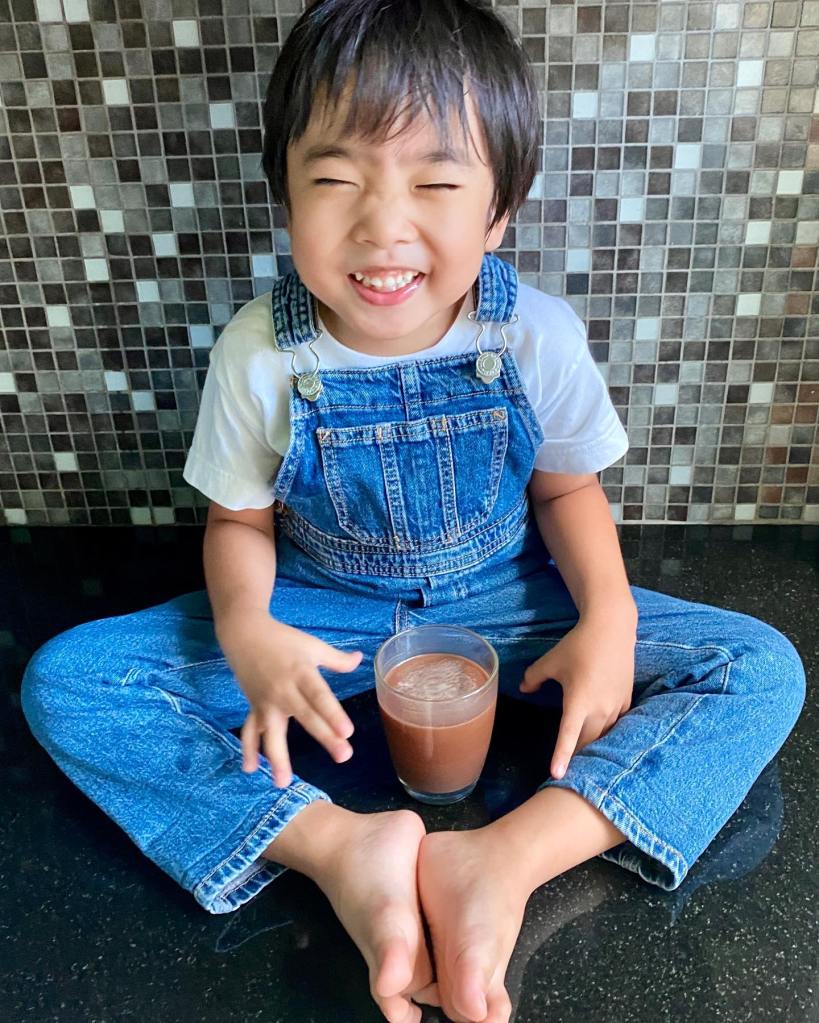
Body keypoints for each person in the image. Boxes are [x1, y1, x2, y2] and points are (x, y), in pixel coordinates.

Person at [21, 2, 806, 1022]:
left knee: (760, 668)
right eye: (337, 179)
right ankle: (342, 845)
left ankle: (511, 857)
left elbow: (570, 492)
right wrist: (248, 629)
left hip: (509, 603)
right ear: (286, 194)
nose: (382, 224)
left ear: (498, 210)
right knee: (70, 683)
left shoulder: (535, 334)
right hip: (322, 614)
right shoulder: (263, 350)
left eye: (435, 182)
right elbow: (238, 524)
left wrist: (607, 620)